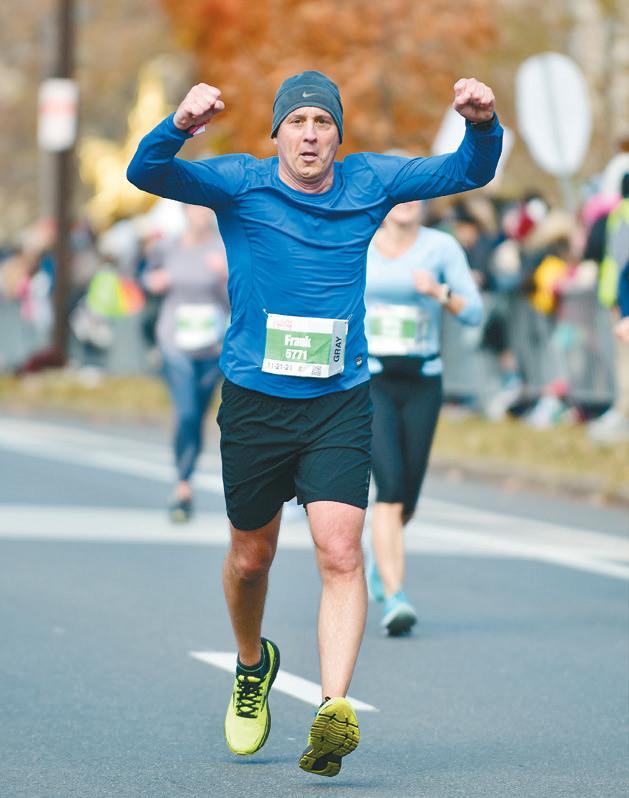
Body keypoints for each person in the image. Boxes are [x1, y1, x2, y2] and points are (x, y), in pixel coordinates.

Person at [127, 70, 502, 777]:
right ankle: (251, 665)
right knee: (252, 559)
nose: (308, 135)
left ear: (338, 135)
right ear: (277, 135)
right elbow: (145, 173)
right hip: (255, 400)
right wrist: (179, 124)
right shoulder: (240, 184)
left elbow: (466, 171)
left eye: (322, 122)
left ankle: (333, 708)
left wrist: (481, 123)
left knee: (341, 552)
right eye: (296, 122)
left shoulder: (370, 182)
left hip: (338, 399)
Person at [364, 198, 482, 635]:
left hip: (423, 380)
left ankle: (381, 556)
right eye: (400, 193)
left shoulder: (441, 248)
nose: (408, 201)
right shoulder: (362, 241)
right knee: (390, 487)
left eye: (415, 192)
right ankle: (396, 597)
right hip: (372, 379)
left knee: (408, 498)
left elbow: (475, 312)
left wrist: (439, 293)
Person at [142, 203, 229, 521]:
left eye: (206, 209)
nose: (201, 214)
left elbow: (244, 292)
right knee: (186, 410)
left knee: (199, 412)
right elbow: (145, 277)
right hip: (174, 341)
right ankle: (182, 483)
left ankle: (185, 474)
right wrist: (154, 281)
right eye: (195, 208)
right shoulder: (169, 247)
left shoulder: (224, 247)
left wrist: (226, 275)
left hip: (211, 345)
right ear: (184, 211)